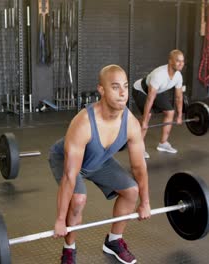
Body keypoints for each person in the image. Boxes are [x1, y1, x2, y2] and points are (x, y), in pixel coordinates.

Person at [49, 65, 151, 264]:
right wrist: (61, 220)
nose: (123, 93)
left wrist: (145, 203)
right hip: (66, 160)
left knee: (132, 191)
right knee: (78, 199)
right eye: (115, 87)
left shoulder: (131, 123)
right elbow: (70, 175)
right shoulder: (84, 123)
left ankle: (114, 241)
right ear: (101, 90)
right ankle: (69, 249)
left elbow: (139, 168)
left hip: (99, 160)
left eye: (125, 86)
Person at [132, 49, 185, 159]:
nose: (181, 64)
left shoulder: (178, 76)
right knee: (147, 116)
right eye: (178, 61)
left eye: (183, 61)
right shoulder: (159, 74)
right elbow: (150, 98)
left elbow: (179, 97)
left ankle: (163, 143)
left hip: (156, 91)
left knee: (170, 112)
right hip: (140, 90)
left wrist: (179, 115)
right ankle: (139, 149)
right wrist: (145, 120)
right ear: (170, 61)